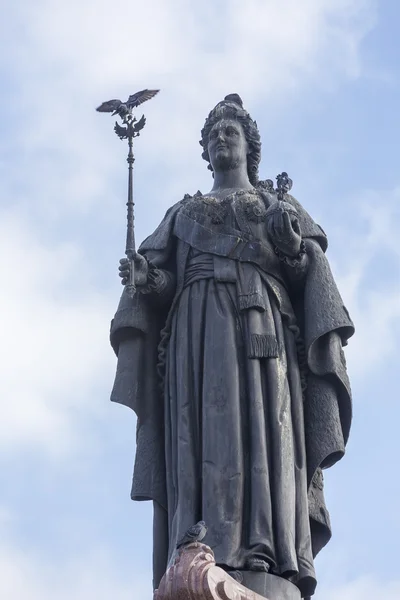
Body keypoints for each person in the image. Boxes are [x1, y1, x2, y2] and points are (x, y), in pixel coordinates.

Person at [110, 94, 354, 598]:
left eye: (231, 131)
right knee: (202, 434)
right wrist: (146, 279)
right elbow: (161, 284)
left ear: (249, 146)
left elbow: (311, 274)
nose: (222, 137)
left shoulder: (276, 206)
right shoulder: (183, 214)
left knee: (267, 431)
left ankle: (268, 547)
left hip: (262, 331)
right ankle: (200, 543)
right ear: (205, 150)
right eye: (214, 132)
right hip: (195, 339)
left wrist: (292, 249)